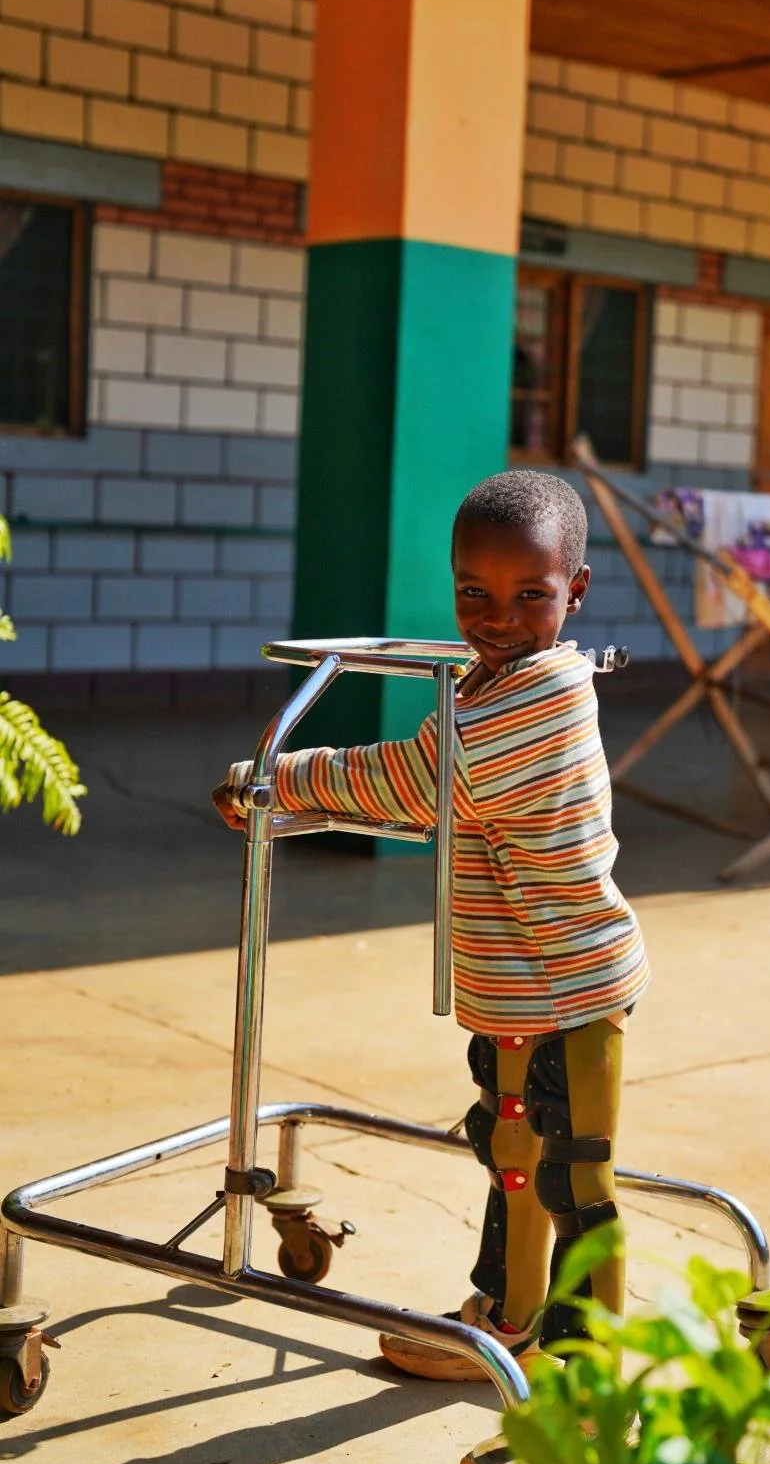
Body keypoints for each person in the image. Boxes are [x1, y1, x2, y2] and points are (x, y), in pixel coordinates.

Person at [213, 469, 649, 1381]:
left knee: (572, 1177)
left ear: (577, 590)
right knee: (511, 1150)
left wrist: (278, 777)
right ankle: (505, 1322)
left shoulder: (540, 699)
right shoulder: (493, 682)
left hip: (564, 984)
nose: (496, 617)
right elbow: (438, 794)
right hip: (513, 980)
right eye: (472, 593)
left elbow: (415, 783)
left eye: (530, 595)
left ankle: (591, 1378)